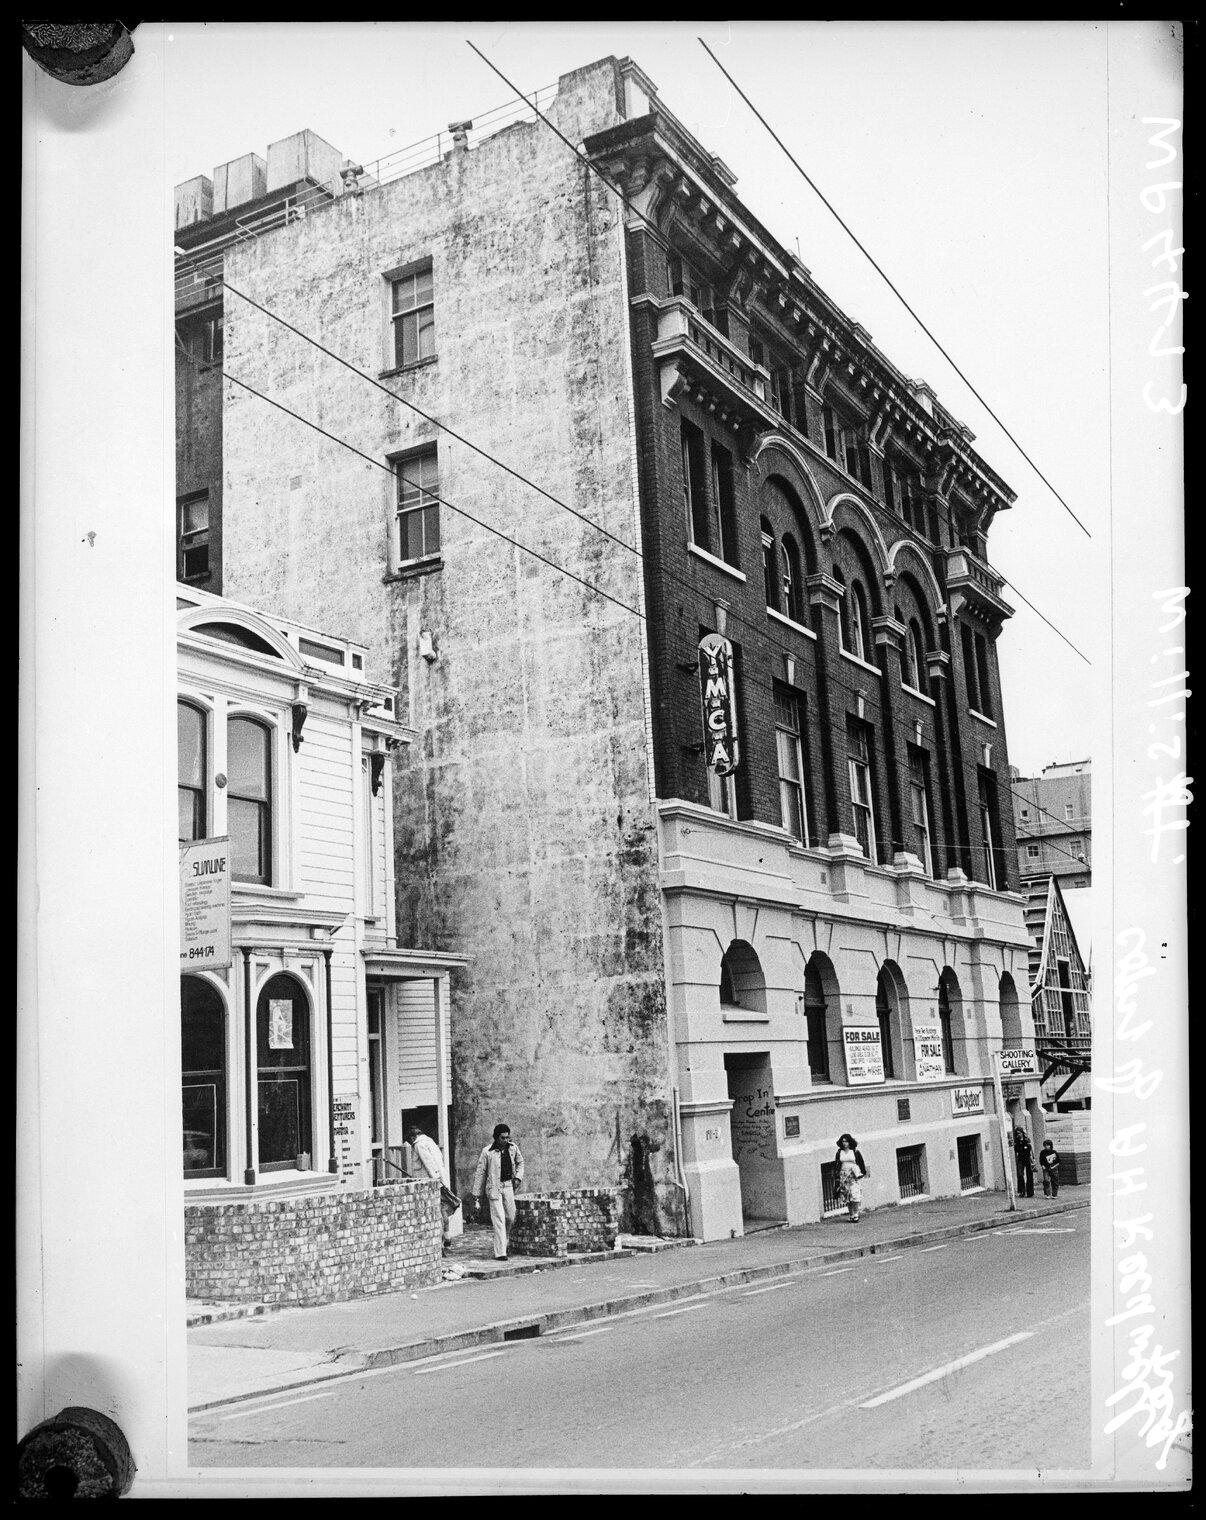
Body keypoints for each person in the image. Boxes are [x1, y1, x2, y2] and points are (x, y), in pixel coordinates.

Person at [471, 1122, 525, 1261]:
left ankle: (504, 1240)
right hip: (494, 1187)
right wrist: (477, 1194)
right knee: (499, 1218)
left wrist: (518, 1177)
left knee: (511, 1216)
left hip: (508, 1186)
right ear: (496, 1137)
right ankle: (501, 1252)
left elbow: (520, 1162)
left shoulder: (513, 1148)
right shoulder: (487, 1151)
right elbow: (480, 1172)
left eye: (507, 1137)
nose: (505, 1140)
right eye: (502, 1138)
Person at [405, 1124, 457, 1250]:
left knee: (437, 1211)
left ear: (413, 1137)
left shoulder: (419, 1144)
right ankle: (446, 1236)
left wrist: (436, 1181)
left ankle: (441, 1241)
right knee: (442, 1209)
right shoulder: (430, 1142)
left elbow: (429, 1164)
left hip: (432, 1183)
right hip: (440, 1180)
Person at [834, 1133, 868, 1223]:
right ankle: (851, 1215)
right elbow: (837, 1164)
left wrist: (862, 1173)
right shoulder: (839, 1152)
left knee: (855, 1194)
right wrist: (836, 1176)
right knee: (847, 1196)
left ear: (850, 1142)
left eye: (846, 1141)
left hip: (853, 1175)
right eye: (843, 1141)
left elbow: (860, 1162)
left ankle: (856, 1214)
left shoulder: (854, 1151)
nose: (844, 1143)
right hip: (843, 1175)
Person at [1014, 1126, 1035, 1198]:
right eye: (1017, 1134)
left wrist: (1033, 1160)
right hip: (1020, 1159)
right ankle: (1022, 1191)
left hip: (1027, 1158)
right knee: (1020, 1174)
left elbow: (1030, 1150)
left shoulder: (1027, 1140)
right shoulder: (1017, 1141)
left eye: (1019, 1133)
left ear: (1022, 1133)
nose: (1018, 1135)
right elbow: (1016, 1150)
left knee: (1029, 1174)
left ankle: (1030, 1192)